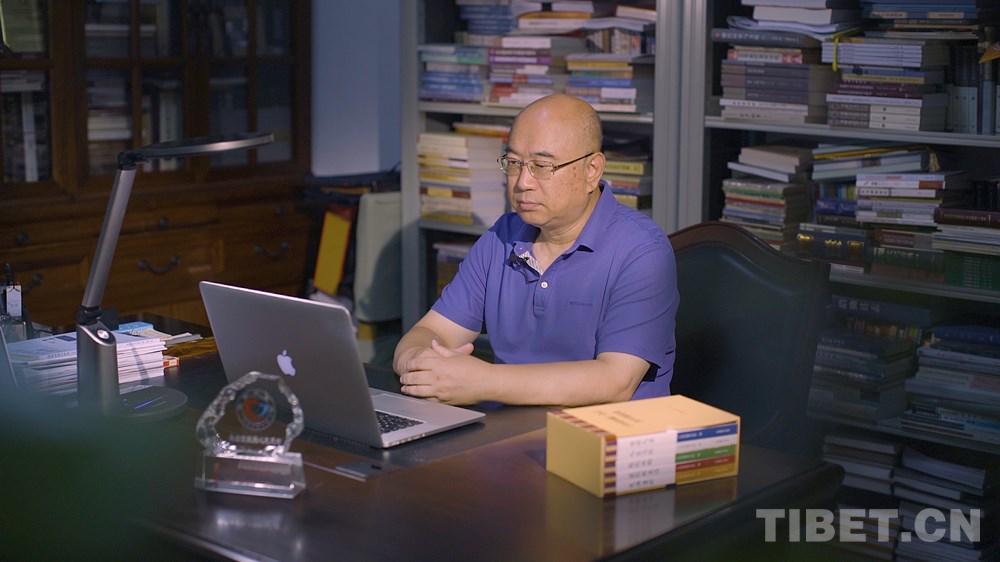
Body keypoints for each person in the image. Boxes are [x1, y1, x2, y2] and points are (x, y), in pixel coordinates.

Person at [394, 94, 678, 406]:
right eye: (514, 163)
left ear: (592, 170)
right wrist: (418, 362)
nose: (522, 183)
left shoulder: (641, 251)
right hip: (507, 428)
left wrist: (483, 381)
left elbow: (615, 381)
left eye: (541, 166)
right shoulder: (502, 237)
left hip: (605, 432)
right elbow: (432, 330)